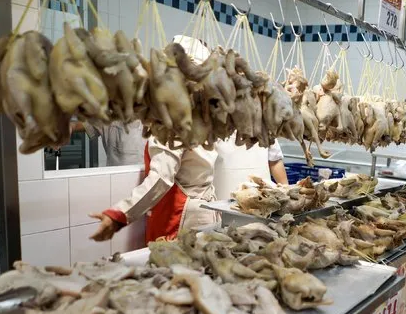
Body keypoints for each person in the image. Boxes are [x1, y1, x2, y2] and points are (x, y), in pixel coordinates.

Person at [89, 36, 289, 243]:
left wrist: (120, 214)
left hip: (180, 217)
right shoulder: (202, 115)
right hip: (202, 211)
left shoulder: (174, 119)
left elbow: (162, 178)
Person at [73, 119, 146, 166]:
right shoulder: (107, 118)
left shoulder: (148, 117)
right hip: (115, 178)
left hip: (144, 178)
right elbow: (77, 126)